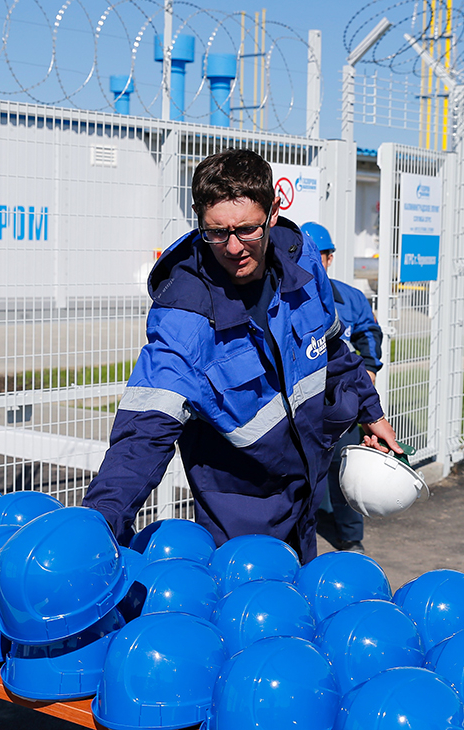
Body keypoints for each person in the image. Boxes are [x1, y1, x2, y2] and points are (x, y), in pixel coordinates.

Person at [82, 149, 400, 563]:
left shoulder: (302, 262)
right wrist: (100, 520)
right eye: (216, 233)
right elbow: (143, 432)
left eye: (247, 229)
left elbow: (333, 350)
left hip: (304, 491)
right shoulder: (185, 315)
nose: (233, 247)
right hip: (239, 513)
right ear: (198, 221)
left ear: (273, 213)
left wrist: (370, 413)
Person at [302, 221, 383, 554]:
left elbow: (368, 333)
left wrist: (369, 368)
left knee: (345, 465)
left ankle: (350, 538)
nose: (309, 263)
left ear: (330, 258)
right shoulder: (284, 297)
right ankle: (298, 540)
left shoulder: (350, 298)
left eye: (317, 255)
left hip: (343, 401)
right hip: (301, 404)